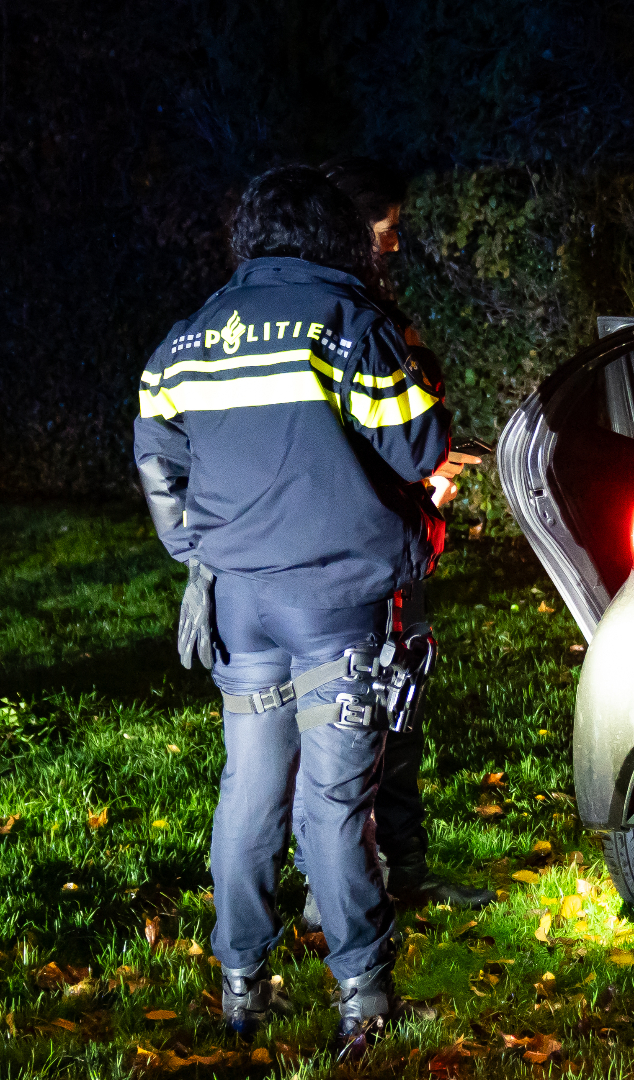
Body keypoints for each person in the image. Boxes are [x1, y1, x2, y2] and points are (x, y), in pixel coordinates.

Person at [133, 164, 450, 1054]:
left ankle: (243, 988)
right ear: (335, 237)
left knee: (247, 794)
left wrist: (202, 558)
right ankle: (365, 999)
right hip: (336, 604)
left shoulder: (186, 341)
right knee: (333, 803)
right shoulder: (344, 323)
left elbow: (160, 467)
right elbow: (420, 440)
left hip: (242, 610)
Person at [316, 155, 495, 912]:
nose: (395, 245)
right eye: (387, 231)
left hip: (402, 539)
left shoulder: (377, 311)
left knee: (403, 708)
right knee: (363, 718)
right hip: (363, 553)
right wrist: (420, 475)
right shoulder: (342, 320)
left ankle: (405, 869)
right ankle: (351, 885)